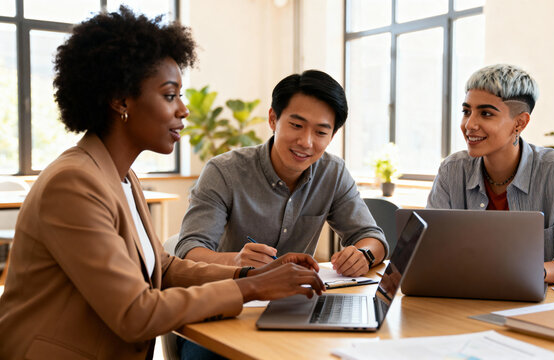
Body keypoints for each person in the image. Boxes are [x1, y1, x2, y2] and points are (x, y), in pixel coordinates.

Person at [0, 7, 324, 360]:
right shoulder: (74, 183)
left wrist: (252, 272)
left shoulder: (120, 175)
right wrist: (253, 287)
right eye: (170, 95)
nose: (183, 109)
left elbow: (163, 268)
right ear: (121, 100)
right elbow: (135, 312)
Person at [176, 70, 388, 278]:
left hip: (299, 297)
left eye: (321, 132)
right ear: (273, 119)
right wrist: (236, 261)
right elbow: (189, 250)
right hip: (234, 294)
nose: (306, 142)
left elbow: (371, 236)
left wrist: (363, 255)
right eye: (296, 125)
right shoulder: (224, 172)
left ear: (331, 136)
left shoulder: (333, 173)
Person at [427, 64, 554, 284]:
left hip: (548, 307)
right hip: (471, 302)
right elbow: (429, 248)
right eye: (466, 112)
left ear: (520, 123)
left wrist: (526, 273)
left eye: (486, 114)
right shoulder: (452, 170)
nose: (469, 124)